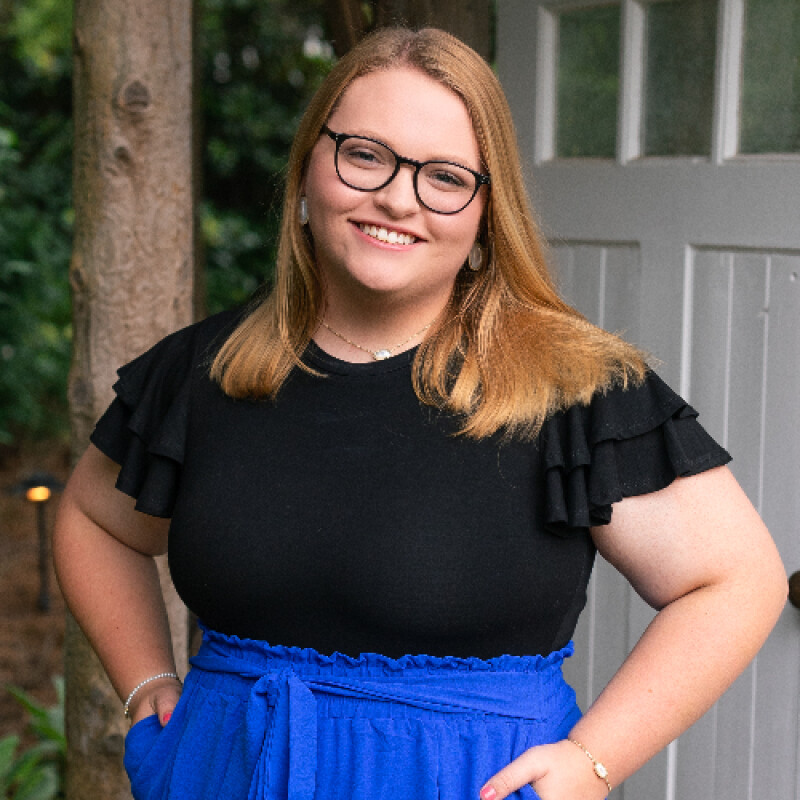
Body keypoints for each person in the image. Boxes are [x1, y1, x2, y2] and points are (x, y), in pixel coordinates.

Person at [53, 26, 786, 800]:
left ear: (486, 212)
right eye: (366, 155)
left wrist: (593, 761)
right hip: (228, 777)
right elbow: (95, 520)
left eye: (444, 177)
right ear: (308, 167)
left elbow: (735, 580)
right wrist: (147, 683)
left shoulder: (575, 389)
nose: (398, 198)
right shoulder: (203, 371)